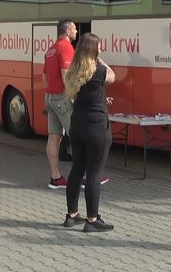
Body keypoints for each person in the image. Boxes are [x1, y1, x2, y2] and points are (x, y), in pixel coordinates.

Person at [63, 33, 116, 232]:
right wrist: (98, 58)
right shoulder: (99, 70)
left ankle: (71, 215)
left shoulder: (73, 71)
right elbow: (113, 76)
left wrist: (100, 100)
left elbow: (80, 96)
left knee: (77, 168)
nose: (101, 48)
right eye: (99, 46)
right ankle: (92, 220)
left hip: (77, 125)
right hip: (96, 128)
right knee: (94, 173)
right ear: (94, 49)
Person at [43, 19, 77, 189]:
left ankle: (55, 177)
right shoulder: (66, 47)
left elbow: (45, 78)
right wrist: (74, 97)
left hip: (49, 97)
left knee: (54, 136)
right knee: (77, 135)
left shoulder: (50, 49)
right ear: (68, 31)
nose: (77, 32)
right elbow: (66, 75)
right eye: (75, 29)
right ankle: (84, 175)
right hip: (61, 98)